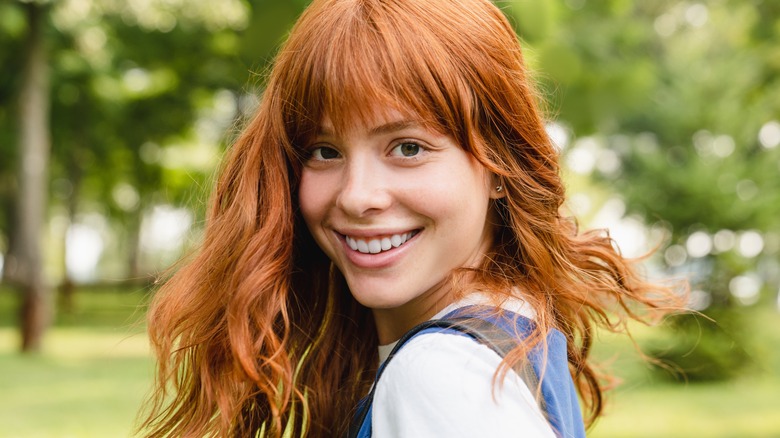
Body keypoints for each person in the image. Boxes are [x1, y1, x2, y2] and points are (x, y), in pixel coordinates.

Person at [139, 0, 683, 436]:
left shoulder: (441, 375)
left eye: (408, 147)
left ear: (500, 166)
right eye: (325, 151)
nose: (357, 196)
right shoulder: (511, 330)